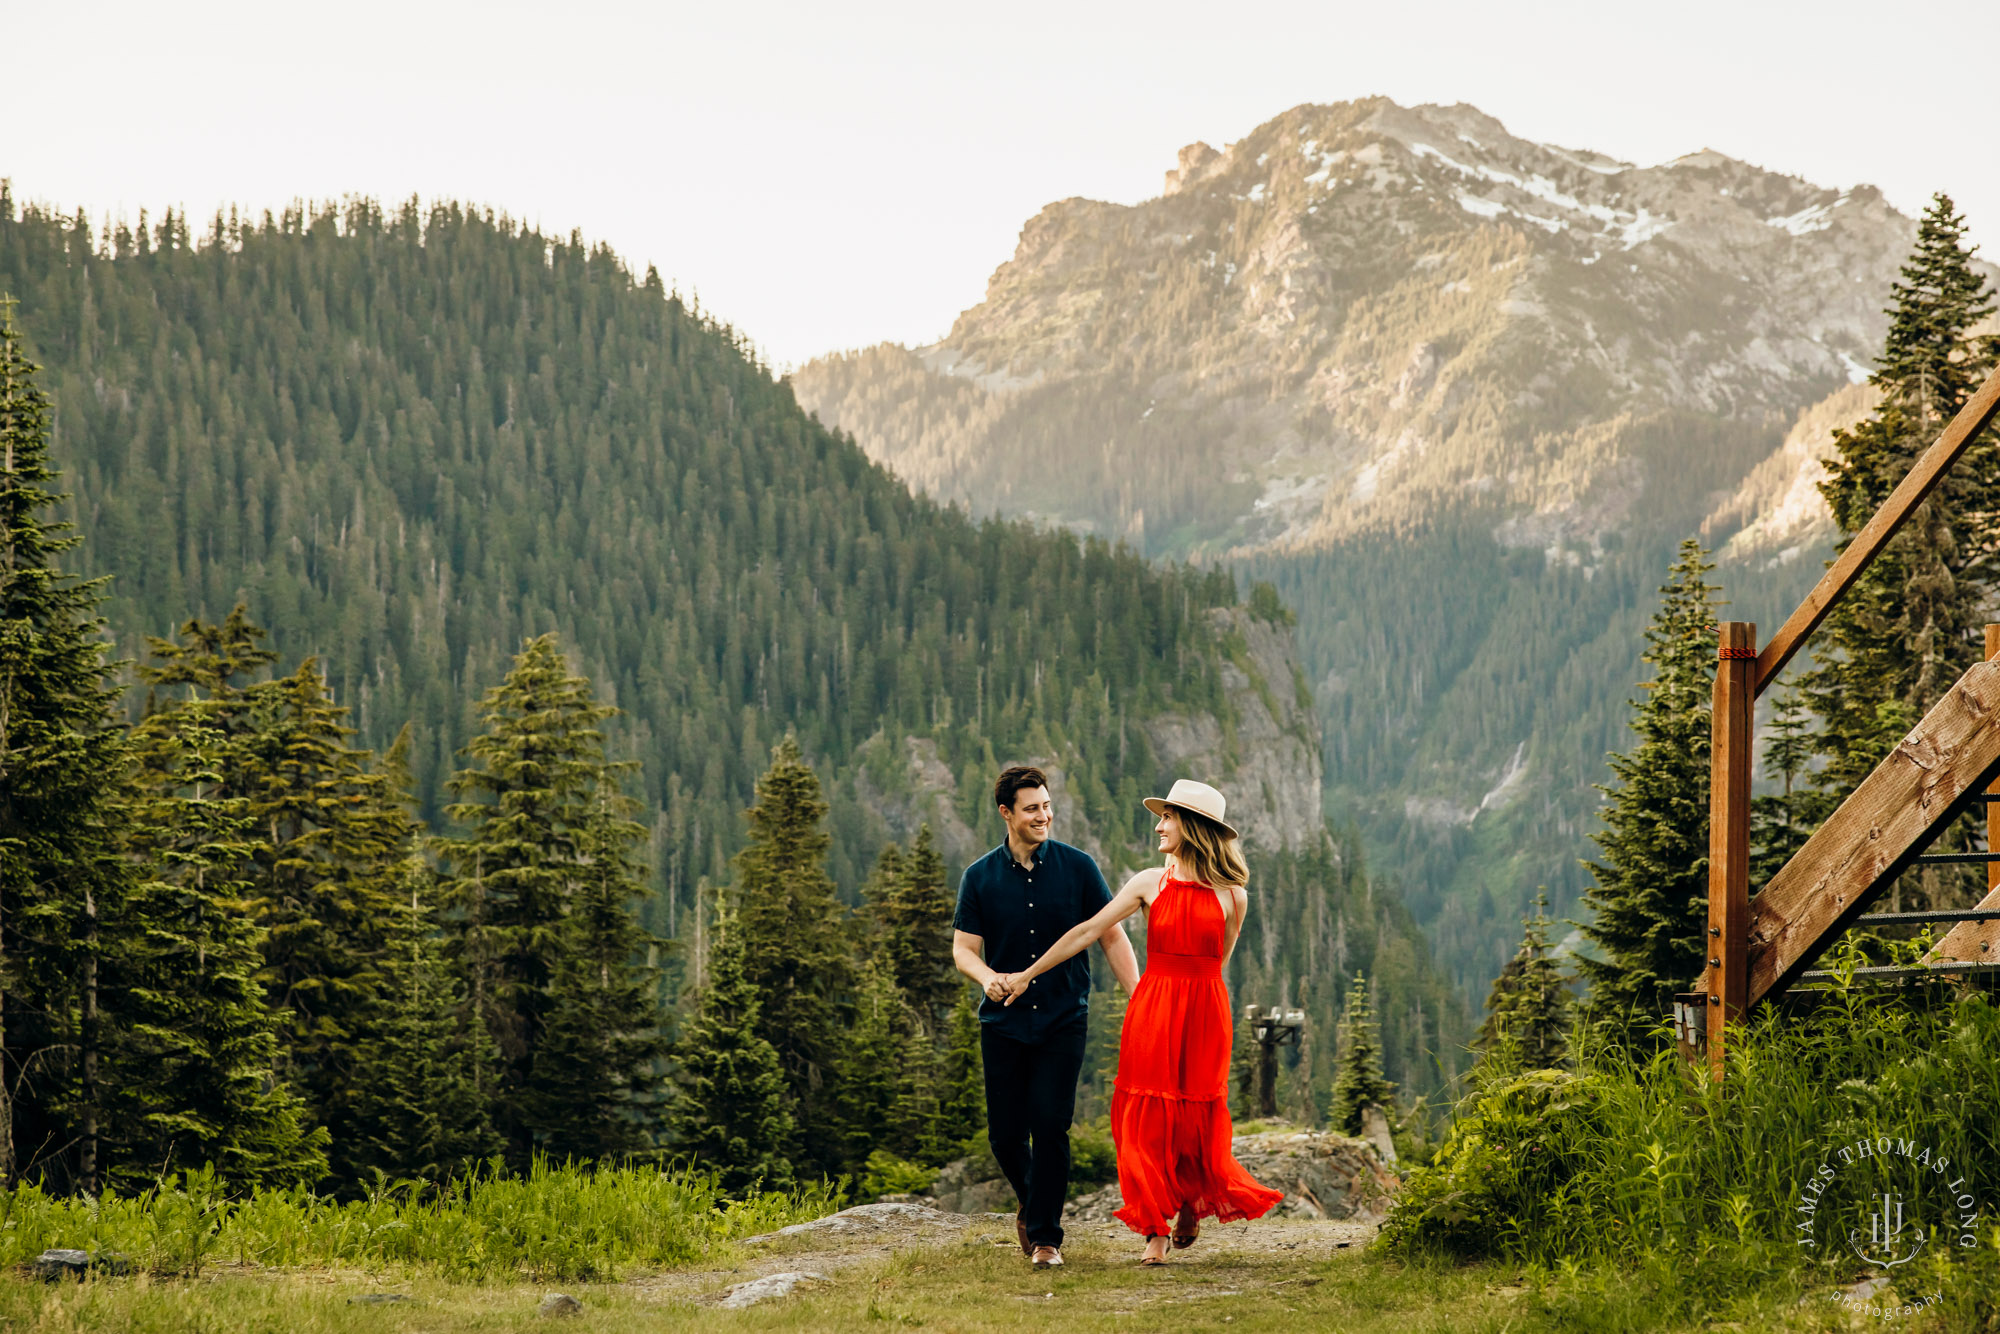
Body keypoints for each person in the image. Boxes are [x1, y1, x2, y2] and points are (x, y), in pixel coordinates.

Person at [1003, 779, 1282, 1265]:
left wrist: (1193, 993)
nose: (1158, 825)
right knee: (1146, 1122)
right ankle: (1154, 1229)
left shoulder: (1234, 895)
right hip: (1153, 1008)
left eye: (1168, 818)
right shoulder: (1149, 882)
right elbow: (1090, 930)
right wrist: (1028, 974)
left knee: (1196, 1115)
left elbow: (1219, 960)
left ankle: (1191, 1203)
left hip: (1205, 1011)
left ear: (1193, 828)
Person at [952, 765, 1140, 1271]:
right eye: (1032, 808)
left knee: (1051, 1127)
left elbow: (1111, 935)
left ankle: (1045, 1239)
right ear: (1006, 814)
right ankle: (1034, 1203)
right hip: (1003, 1020)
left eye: (1047, 805)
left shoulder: (1079, 868)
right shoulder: (980, 877)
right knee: (1005, 1134)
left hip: (1063, 1018)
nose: (1044, 815)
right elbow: (964, 949)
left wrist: (1139, 996)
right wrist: (986, 975)